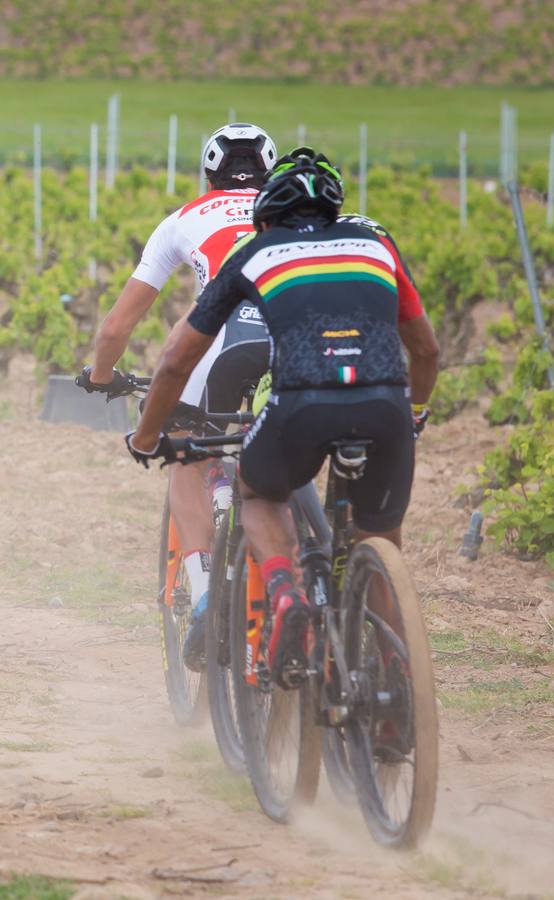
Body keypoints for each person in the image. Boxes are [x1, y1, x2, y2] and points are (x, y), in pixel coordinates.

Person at [125, 148, 440, 687]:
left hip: (300, 400)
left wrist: (149, 437)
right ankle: (392, 684)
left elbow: (177, 357)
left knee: (258, 491)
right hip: (385, 404)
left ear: (265, 212)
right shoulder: (375, 244)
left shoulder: (258, 248)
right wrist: (412, 415)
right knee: (378, 538)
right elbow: (427, 352)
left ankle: (287, 592)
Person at [78, 123, 276, 669]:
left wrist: (101, 375)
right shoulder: (294, 214)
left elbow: (117, 327)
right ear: (270, 171)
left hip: (220, 345)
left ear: (209, 173)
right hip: (295, 339)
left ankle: (208, 591)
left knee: (185, 457)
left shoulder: (186, 219)